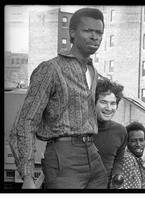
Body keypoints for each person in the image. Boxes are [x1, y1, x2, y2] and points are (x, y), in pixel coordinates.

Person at [8, 7, 108, 189]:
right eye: (87, 31)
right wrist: (28, 176)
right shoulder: (50, 69)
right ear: (72, 32)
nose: (95, 37)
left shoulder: (93, 71)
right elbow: (25, 122)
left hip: (93, 155)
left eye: (99, 32)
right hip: (64, 156)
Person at [92, 78, 128, 189]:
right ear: (93, 103)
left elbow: (119, 158)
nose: (108, 108)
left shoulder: (121, 131)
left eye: (113, 103)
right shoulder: (80, 130)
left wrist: (117, 175)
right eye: (103, 102)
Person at [121, 121, 145, 189]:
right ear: (126, 142)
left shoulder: (135, 159)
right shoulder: (128, 159)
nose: (138, 144)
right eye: (133, 141)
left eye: (141, 140)